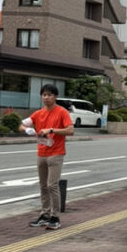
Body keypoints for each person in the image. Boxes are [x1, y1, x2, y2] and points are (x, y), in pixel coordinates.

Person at [19, 85, 74, 230]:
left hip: (56, 153)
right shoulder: (38, 113)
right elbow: (21, 125)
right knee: (43, 186)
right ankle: (44, 215)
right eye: (44, 95)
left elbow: (70, 130)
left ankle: (55, 217)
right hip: (41, 153)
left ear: (55, 96)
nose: (46, 97)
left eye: (49, 95)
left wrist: (51, 130)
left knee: (52, 185)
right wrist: (27, 130)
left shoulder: (62, 112)